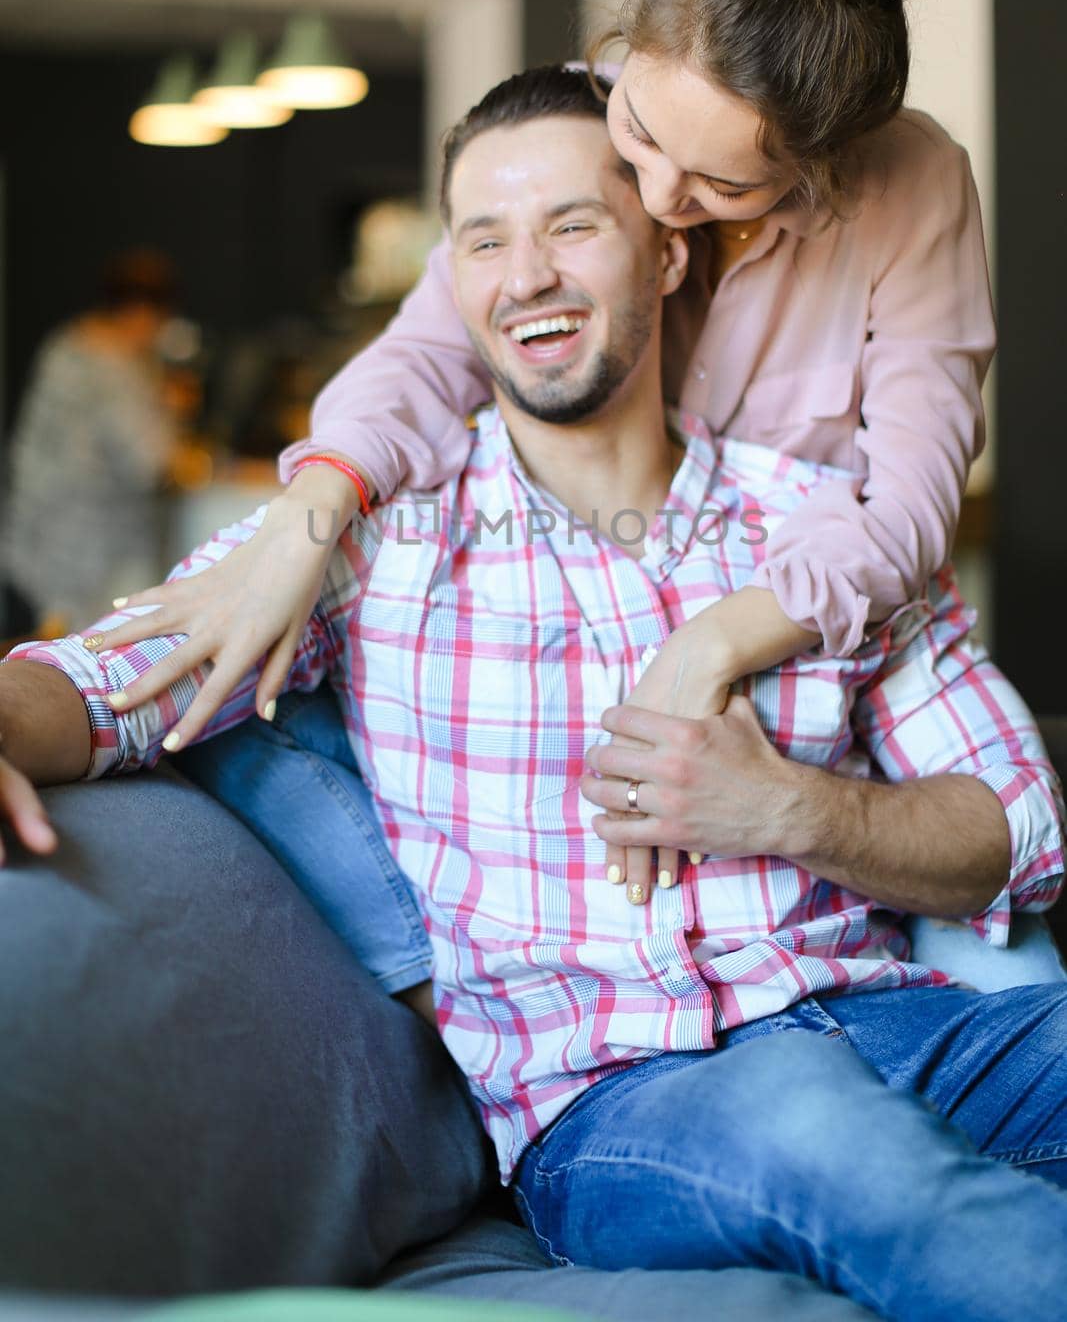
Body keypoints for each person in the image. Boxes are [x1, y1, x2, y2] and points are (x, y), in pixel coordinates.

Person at [2, 68, 1064, 1322]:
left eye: (571, 225)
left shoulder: (821, 536)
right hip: (620, 1103)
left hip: (900, 1027)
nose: (527, 275)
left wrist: (788, 809)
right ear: (451, 284)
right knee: (820, 1130)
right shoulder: (374, 548)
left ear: (668, 252)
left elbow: (1017, 831)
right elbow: (104, 679)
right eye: (484, 239)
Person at [86, 0, 996, 896]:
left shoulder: (909, 184)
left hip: (812, 656)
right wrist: (307, 511)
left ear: (820, 168)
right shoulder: (568, 118)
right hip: (583, 605)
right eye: (640, 135)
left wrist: (708, 643)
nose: (659, 204)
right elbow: (427, 351)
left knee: (1012, 978)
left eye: (720, 189)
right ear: (624, 49)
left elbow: (907, 504)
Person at [2, 247, 181, 636]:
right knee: (92, 661)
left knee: (46, 653)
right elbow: (153, 461)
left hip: (35, 538)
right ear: (145, 313)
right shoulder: (117, 366)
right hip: (87, 556)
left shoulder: (65, 345)